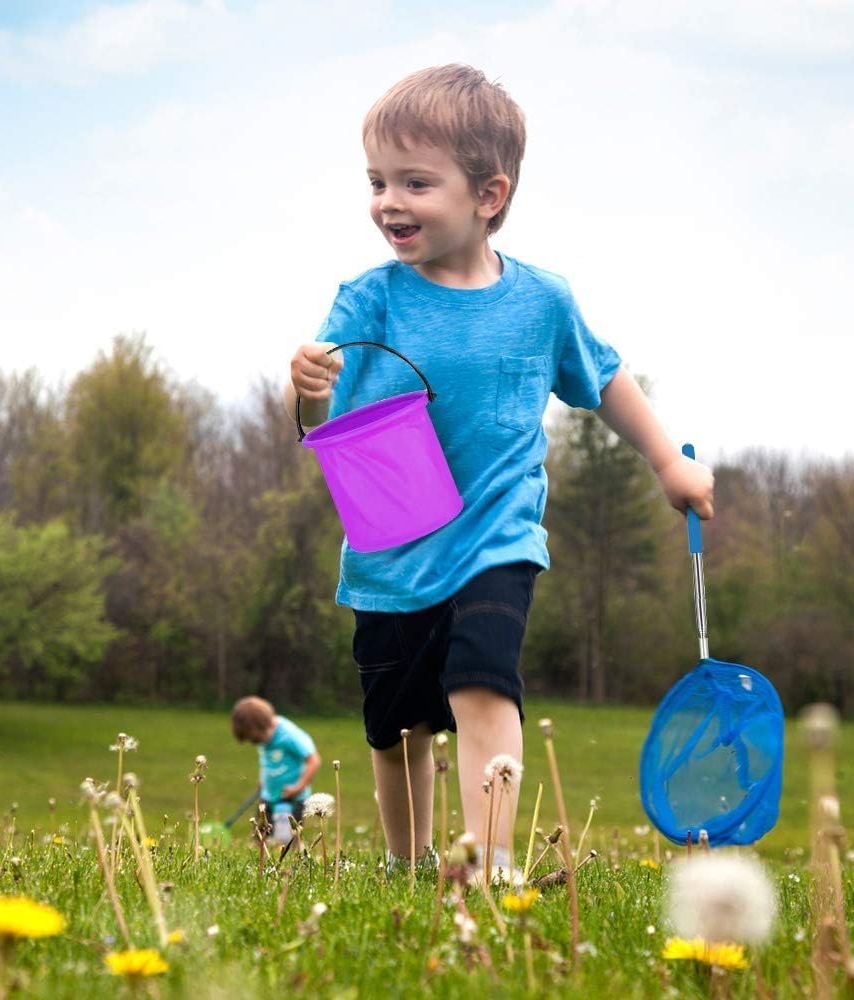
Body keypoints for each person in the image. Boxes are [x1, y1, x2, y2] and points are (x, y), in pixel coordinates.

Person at [284, 64, 715, 882]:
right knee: (396, 727)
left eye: (416, 182)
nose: (388, 202)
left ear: (489, 195)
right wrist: (306, 390)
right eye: (377, 181)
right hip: (392, 550)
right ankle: (408, 865)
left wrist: (667, 462)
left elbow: (605, 377)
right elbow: (319, 424)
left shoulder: (542, 302)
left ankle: (489, 862)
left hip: (495, 536)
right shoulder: (368, 301)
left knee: (485, 683)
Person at [230, 696, 321, 844]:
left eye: (256, 739)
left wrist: (298, 787)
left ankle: (290, 864)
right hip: (268, 796)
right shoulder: (263, 736)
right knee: (260, 838)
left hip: (293, 799)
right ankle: (261, 865)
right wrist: (262, 779)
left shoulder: (289, 736)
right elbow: (267, 760)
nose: (257, 743)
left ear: (266, 726)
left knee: (289, 841)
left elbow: (314, 760)